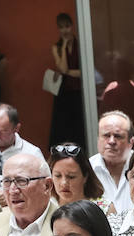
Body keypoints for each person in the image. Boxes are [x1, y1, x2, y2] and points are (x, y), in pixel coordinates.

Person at [48, 13, 84, 148]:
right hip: (64, 92)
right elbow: (62, 68)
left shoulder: (80, 45)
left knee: (79, 125)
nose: (65, 30)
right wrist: (63, 47)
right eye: (61, 27)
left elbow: (84, 72)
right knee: (63, 126)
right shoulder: (56, 47)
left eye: (67, 26)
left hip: (79, 90)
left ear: (72, 26)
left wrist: (68, 72)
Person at [89, 111, 133, 216]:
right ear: (98, 139)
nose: (111, 141)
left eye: (118, 136)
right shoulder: (87, 170)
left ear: (131, 142)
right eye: (106, 135)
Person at [48, 141, 104, 206]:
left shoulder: (103, 208)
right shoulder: (44, 208)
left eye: (71, 176)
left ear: (85, 176)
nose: (64, 183)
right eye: (58, 176)